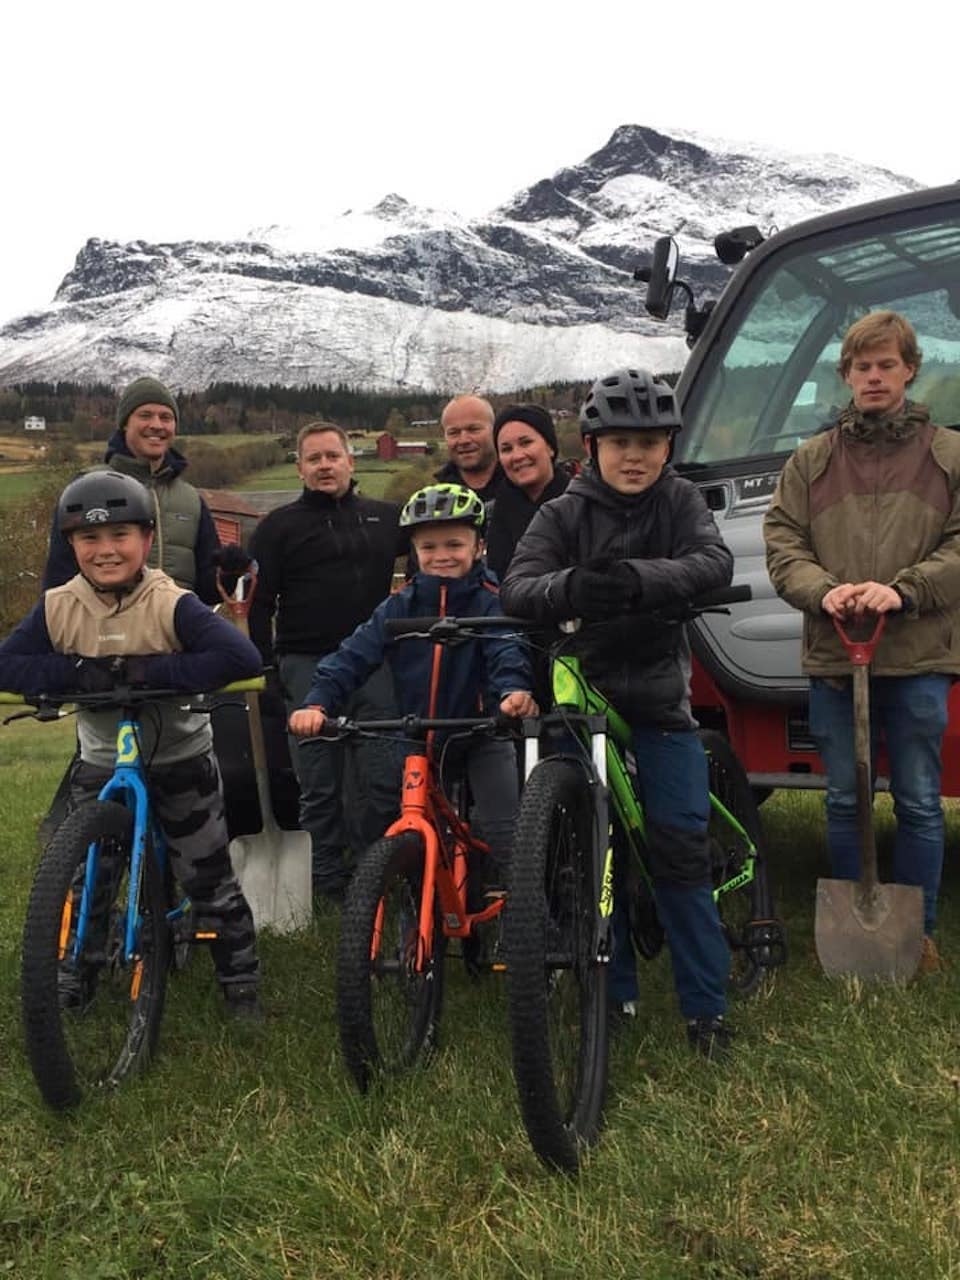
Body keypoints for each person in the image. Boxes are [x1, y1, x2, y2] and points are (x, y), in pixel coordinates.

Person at [501, 368, 735, 1058]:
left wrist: (638, 580)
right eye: (621, 442)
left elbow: (712, 562)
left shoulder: (681, 500)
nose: (636, 456)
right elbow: (518, 585)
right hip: (582, 695)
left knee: (679, 852)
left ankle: (706, 1009)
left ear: (668, 447)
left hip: (660, 701)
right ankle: (617, 988)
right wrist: (572, 585)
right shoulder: (561, 513)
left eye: (651, 442)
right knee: (588, 850)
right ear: (593, 445)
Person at [0, 471, 264, 1018]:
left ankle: (241, 982)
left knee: (208, 877)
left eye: (120, 536)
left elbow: (240, 659)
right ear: (70, 546)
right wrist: (79, 673)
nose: (105, 551)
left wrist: (147, 671)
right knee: (87, 879)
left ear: (146, 540)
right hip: (100, 762)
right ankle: (78, 970)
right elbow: (8, 662)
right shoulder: (57, 606)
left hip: (178, 760)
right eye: (89, 539)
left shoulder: (170, 601)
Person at [764, 310, 960, 973]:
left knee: (917, 799)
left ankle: (918, 934)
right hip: (835, 653)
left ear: (910, 368)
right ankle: (852, 930)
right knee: (846, 796)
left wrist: (904, 589)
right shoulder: (812, 460)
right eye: (861, 366)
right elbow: (783, 541)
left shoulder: (949, 454)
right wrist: (822, 589)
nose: (873, 377)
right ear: (845, 375)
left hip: (919, 654)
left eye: (886, 365)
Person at [289, 483, 538, 893]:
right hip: (418, 735)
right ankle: (418, 917)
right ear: (414, 554)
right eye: (429, 548)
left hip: (481, 732)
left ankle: (530, 919)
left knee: (504, 832)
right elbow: (352, 655)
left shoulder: (491, 601)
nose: (442, 556)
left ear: (478, 547)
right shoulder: (400, 605)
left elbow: (506, 650)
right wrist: (318, 702)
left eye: (455, 544)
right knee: (411, 825)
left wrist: (512, 691)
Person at [247, 421, 406, 902]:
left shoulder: (385, 519)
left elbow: (444, 542)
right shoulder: (277, 528)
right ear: (299, 468)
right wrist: (266, 672)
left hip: (373, 666)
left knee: (381, 779)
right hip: (305, 664)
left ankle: (376, 878)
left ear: (350, 462)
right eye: (313, 459)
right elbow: (258, 604)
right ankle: (327, 885)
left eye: (332, 456)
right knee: (318, 784)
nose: (324, 466)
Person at [42, 376, 222, 605]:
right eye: (145, 415)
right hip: (102, 633)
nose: (157, 425)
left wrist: (228, 574)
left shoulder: (191, 500)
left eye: (166, 417)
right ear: (125, 423)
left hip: (176, 633)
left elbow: (209, 591)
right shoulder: (86, 488)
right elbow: (58, 581)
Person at [485, 403, 570, 581]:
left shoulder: (581, 507)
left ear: (550, 447)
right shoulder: (490, 517)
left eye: (526, 443)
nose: (517, 456)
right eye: (506, 449)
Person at [435, 395, 505, 501]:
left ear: (495, 430)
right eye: (454, 433)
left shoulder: (521, 486)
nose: (464, 440)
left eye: (473, 429)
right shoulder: (437, 497)